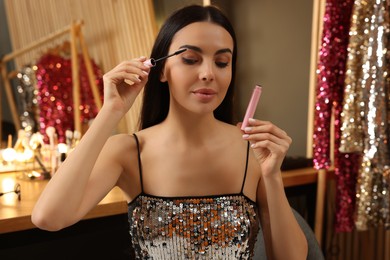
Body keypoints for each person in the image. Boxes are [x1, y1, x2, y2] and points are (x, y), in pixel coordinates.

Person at [32, 4, 308, 259]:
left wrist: (272, 176)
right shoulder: (128, 152)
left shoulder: (253, 150)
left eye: (222, 62)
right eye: (190, 59)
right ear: (161, 70)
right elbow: (49, 217)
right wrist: (110, 112)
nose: (208, 73)